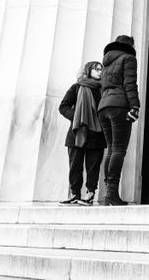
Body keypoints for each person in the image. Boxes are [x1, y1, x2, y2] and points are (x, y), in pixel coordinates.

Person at [99, 35, 140, 206]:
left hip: (104, 107)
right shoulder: (128, 58)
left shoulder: (106, 62)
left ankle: (110, 191)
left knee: (111, 150)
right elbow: (130, 84)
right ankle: (111, 193)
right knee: (119, 150)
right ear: (130, 45)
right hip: (119, 106)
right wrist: (135, 107)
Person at [58, 61, 106, 205]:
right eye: (96, 69)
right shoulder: (77, 87)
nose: (99, 72)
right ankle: (75, 194)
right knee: (75, 165)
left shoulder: (103, 89)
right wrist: (78, 116)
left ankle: (90, 194)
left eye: (101, 69)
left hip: (97, 133)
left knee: (93, 166)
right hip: (77, 132)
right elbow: (63, 107)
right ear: (88, 70)